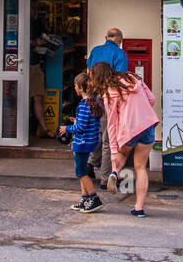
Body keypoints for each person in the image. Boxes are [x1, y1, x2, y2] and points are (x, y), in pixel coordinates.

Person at [88, 60, 157, 217]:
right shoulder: (133, 78)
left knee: (123, 153)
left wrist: (113, 152)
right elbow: (151, 99)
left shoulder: (109, 94)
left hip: (128, 130)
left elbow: (111, 125)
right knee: (140, 167)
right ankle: (139, 208)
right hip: (147, 124)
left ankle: (115, 172)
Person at [86, 28, 128, 189]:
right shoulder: (120, 54)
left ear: (106, 38)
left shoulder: (95, 50)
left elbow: (89, 69)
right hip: (108, 98)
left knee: (96, 131)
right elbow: (121, 77)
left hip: (92, 96)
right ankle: (105, 177)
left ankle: (90, 163)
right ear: (119, 39)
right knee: (108, 138)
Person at [60, 71, 103, 214]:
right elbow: (88, 122)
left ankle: (93, 197)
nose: (74, 88)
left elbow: (81, 127)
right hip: (90, 141)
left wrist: (67, 128)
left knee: (81, 173)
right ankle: (85, 199)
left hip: (82, 143)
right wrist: (76, 120)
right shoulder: (94, 102)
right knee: (82, 170)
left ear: (82, 88)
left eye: (75, 86)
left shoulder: (83, 105)